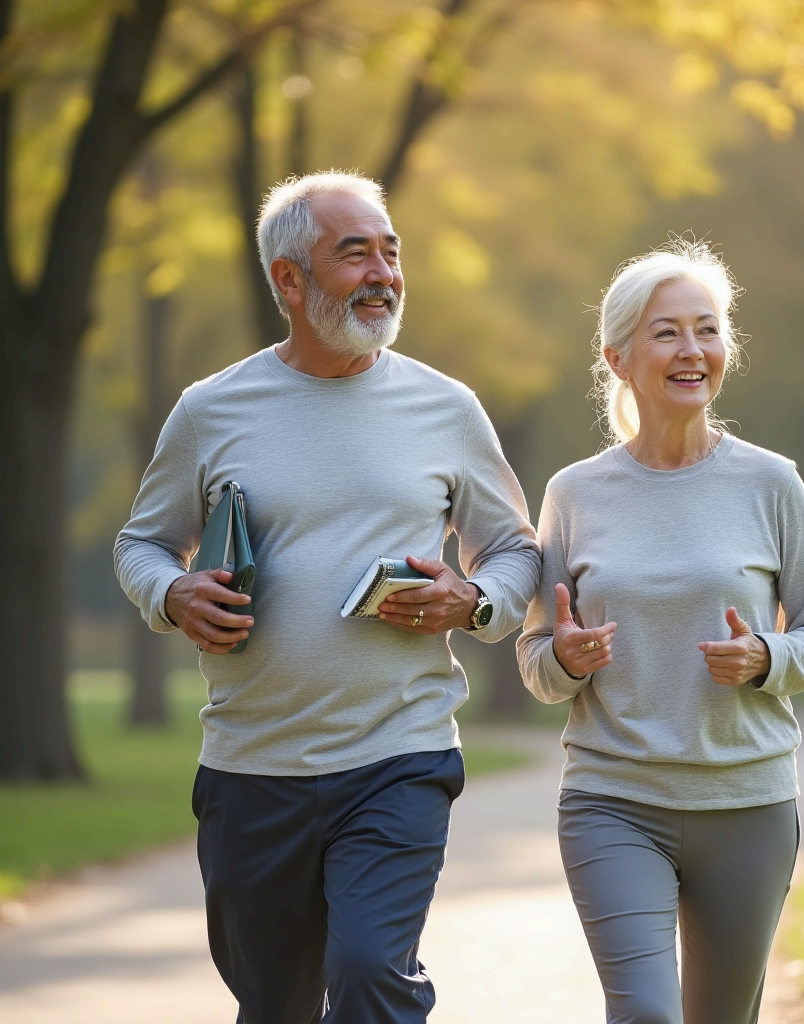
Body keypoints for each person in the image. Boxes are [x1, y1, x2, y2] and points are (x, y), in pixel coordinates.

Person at [115, 170, 540, 1024]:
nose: (383, 272)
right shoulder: (212, 409)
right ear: (289, 281)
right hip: (251, 766)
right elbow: (142, 543)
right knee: (273, 1006)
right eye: (356, 254)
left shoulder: (446, 407)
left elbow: (514, 549)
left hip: (399, 755)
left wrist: (474, 600)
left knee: (370, 977)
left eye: (391, 251)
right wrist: (172, 593)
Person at [517, 241, 804, 1024]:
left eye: (707, 329)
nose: (692, 350)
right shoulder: (574, 493)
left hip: (747, 801)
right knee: (647, 1015)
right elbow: (536, 658)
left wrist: (767, 655)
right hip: (614, 798)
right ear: (619, 357)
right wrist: (564, 658)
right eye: (667, 332)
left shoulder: (771, 482)